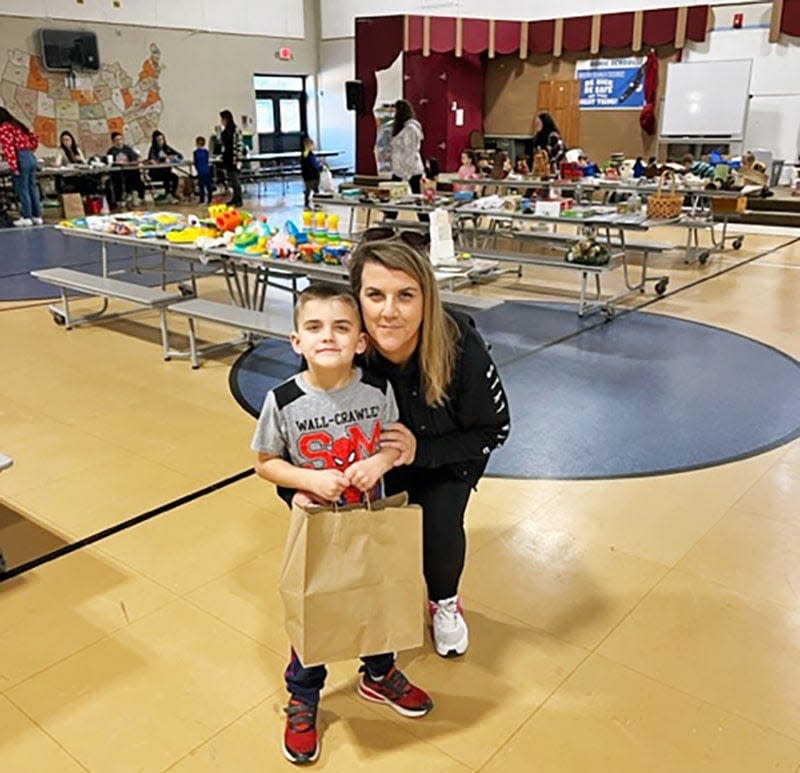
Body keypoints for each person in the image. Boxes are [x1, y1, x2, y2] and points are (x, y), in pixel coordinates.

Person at [252, 283, 434, 765]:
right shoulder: (284, 399)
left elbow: (394, 443)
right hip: (318, 527)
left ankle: (379, 673)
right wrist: (306, 479)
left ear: (360, 341)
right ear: (296, 341)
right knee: (317, 605)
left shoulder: (377, 390)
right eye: (314, 327)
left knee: (375, 596)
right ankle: (304, 696)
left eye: (340, 327)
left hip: (371, 519)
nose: (327, 336)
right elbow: (266, 461)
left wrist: (381, 463)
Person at [346, 233, 510, 659]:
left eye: (405, 295)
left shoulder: (459, 345)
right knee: (368, 531)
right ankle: (379, 600)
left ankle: (444, 601)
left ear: (426, 298)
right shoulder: (343, 344)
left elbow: (494, 430)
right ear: (356, 298)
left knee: (437, 527)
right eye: (374, 295)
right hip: (373, 459)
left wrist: (423, 451)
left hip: (447, 455)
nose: (389, 311)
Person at [0, 107, 43, 227]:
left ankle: (26, 216)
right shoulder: (18, 125)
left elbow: (9, 148)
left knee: (22, 189)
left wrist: (14, 166)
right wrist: (30, 151)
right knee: (32, 188)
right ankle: (37, 216)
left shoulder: (4, 128)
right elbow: (34, 137)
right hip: (30, 156)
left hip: (20, 158)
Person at [386, 98, 426, 221]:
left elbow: (411, 151)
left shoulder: (410, 129)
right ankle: (389, 221)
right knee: (393, 196)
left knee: (417, 197)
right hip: (399, 168)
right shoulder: (401, 128)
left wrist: (407, 173)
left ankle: (425, 223)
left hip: (411, 169)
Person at [105, 131, 145, 208]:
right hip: (117, 172)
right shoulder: (111, 151)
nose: (119, 141)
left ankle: (135, 195)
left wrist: (138, 160)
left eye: (121, 139)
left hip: (129, 170)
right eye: (117, 140)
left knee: (136, 174)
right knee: (116, 179)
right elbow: (109, 163)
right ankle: (120, 199)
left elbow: (135, 158)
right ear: (113, 142)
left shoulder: (128, 149)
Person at [54, 130, 97, 196]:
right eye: (64, 140)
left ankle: (88, 199)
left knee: (93, 180)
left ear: (72, 140)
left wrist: (81, 159)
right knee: (82, 182)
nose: (66, 142)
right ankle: (82, 199)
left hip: (79, 173)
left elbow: (85, 162)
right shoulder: (61, 150)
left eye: (68, 140)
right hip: (68, 175)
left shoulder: (76, 149)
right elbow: (57, 163)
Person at [146, 130, 182, 203]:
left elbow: (180, 155)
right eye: (159, 140)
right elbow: (152, 159)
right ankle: (168, 195)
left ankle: (172, 193)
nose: (161, 141)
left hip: (166, 171)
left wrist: (172, 157)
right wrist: (163, 159)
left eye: (162, 139)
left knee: (175, 177)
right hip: (155, 173)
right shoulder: (153, 149)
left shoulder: (167, 148)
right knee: (167, 177)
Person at [219, 109, 243, 207]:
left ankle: (239, 199)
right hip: (227, 158)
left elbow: (239, 145)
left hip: (234, 159)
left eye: (222, 119)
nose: (221, 121)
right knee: (232, 180)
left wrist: (239, 159)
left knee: (235, 179)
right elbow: (222, 144)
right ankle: (234, 198)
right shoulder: (224, 131)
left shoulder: (235, 130)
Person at [300, 136, 322, 209]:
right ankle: (317, 203)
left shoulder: (303, 155)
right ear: (309, 146)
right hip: (313, 175)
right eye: (312, 145)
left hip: (306, 176)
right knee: (316, 190)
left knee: (307, 190)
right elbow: (315, 164)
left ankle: (306, 204)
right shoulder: (311, 155)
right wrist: (320, 166)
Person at [193, 136, 212, 204]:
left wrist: (197, 169)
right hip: (207, 170)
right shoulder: (206, 152)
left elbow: (195, 162)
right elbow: (207, 161)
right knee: (208, 186)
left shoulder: (195, 152)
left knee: (201, 186)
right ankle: (209, 199)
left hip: (201, 171)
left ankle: (202, 200)